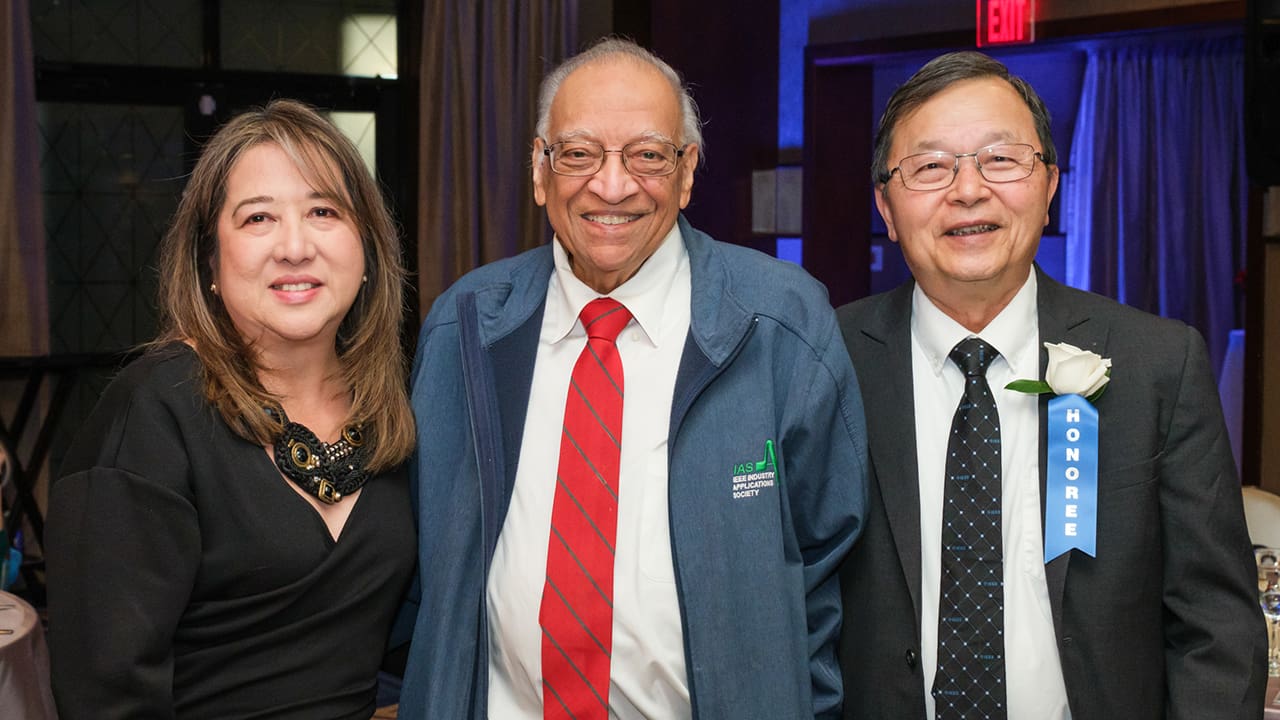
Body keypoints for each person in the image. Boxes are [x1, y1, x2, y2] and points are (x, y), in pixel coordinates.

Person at [397, 38, 868, 719]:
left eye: (647, 155)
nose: (611, 186)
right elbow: (416, 564)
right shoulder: (464, 326)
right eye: (579, 154)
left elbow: (837, 572)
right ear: (539, 168)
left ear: (686, 172)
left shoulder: (781, 322)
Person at [836, 51, 1266, 719]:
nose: (969, 190)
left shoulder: (1157, 362)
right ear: (887, 207)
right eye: (930, 167)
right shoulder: (824, 361)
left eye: (1001, 160)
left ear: (1050, 186)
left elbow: (1214, 621)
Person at [45, 99, 416, 719]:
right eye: (258, 218)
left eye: (323, 211)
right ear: (210, 261)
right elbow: (105, 696)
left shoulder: (391, 410)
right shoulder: (154, 413)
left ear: (367, 249)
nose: (294, 247)